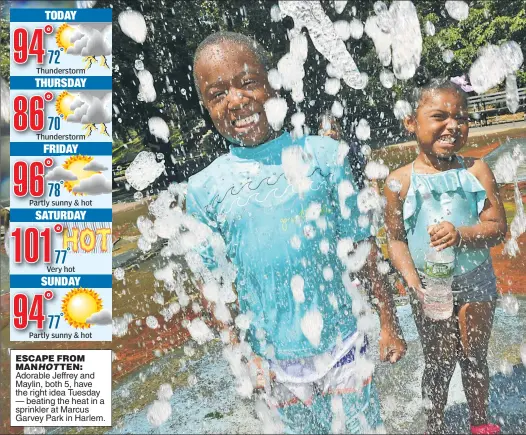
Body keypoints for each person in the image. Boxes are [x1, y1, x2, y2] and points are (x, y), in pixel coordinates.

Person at [187, 31, 406, 433]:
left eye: (248, 82)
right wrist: (239, 354)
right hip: (272, 363)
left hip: (343, 344)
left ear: (273, 81)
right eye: (217, 94)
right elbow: (213, 287)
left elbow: (363, 249)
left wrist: (389, 323)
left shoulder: (323, 155)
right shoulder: (203, 190)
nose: (235, 100)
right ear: (205, 105)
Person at [384, 77, 507, 435]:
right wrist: (411, 282)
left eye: (461, 118)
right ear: (411, 122)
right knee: (438, 363)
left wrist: (461, 234)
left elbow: (498, 228)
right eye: (440, 116)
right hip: (429, 285)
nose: (453, 126)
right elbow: (395, 241)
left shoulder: (476, 170)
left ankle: (480, 423)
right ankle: (434, 425)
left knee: (473, 358)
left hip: (476, 279)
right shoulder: (398, 182)